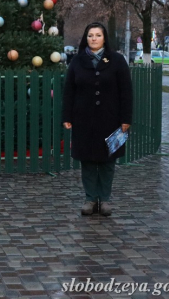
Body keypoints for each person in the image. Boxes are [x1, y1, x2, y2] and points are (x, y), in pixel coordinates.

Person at [62, 22, 133, 217]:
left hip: (111, 119)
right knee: (88, 161)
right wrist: (67, 116)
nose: (94, 39)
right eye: (90, 35)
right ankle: (90, 199)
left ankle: (105, 199)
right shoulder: (77, 61)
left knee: (108, 161)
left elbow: (126, 92)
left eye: (98, 35)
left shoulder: (117, 60)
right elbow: (69, 90)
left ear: (104, 38)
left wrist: (126, 118)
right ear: (86, 38)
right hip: (83, 119)